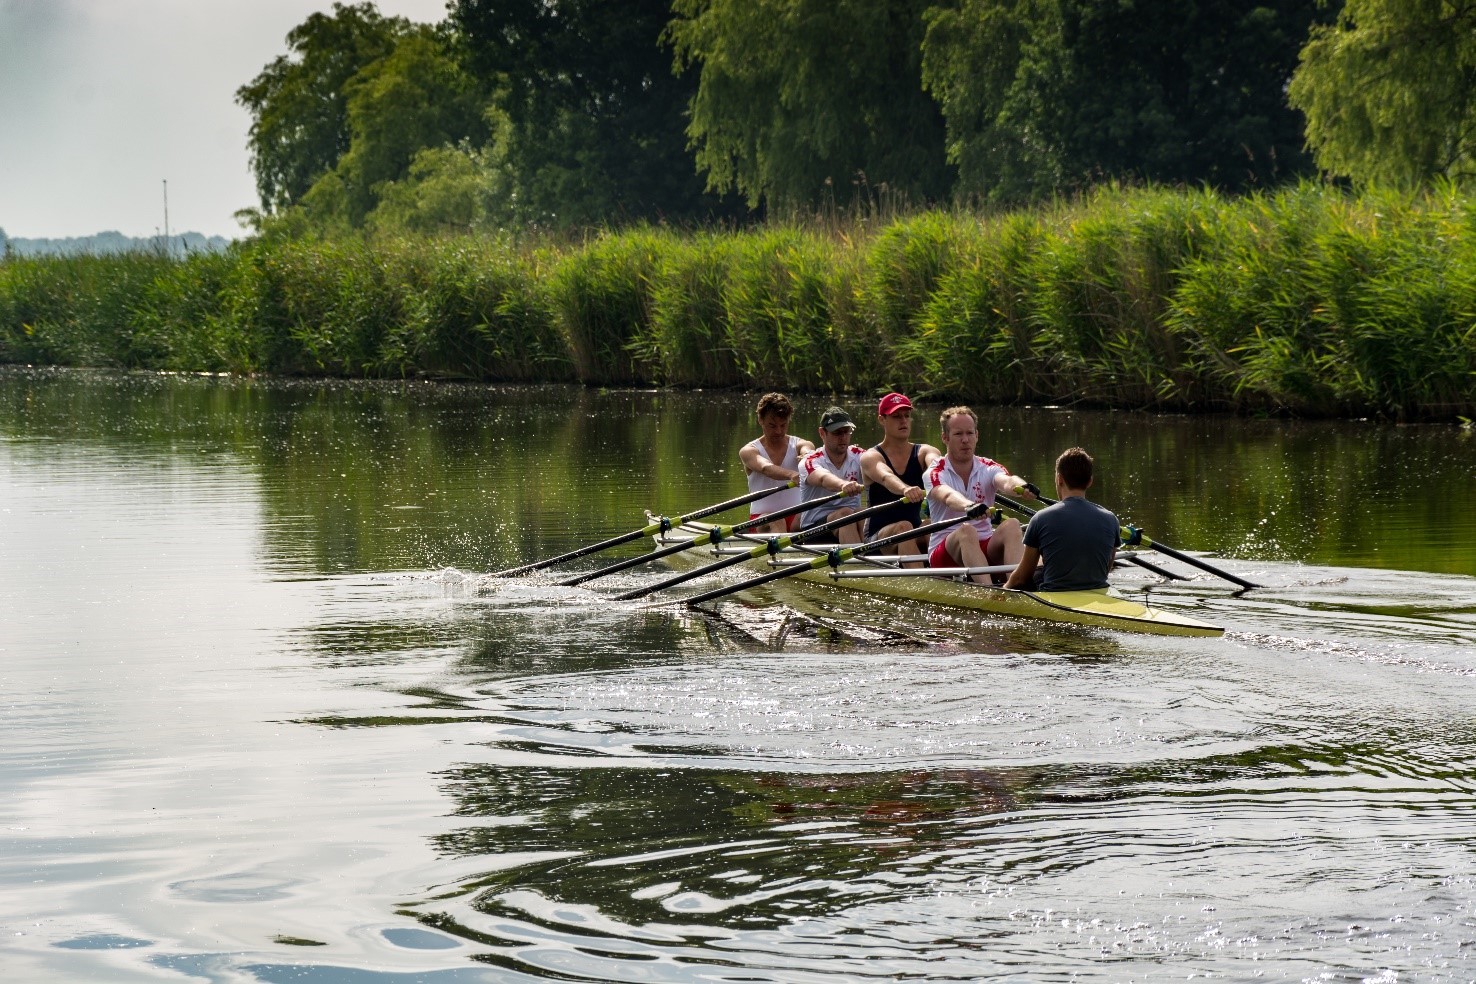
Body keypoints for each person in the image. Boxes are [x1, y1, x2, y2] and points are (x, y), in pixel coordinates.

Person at [922, 405, 1037, 583]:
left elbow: (1007, 481)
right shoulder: (935, 472)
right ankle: (990, 594)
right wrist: (970, 506)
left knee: (1013, 525)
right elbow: (947, 496)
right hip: (945, 553)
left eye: (969, 433)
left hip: (984, 546)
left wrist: (1022, 486)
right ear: (945, 438)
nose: (965, 440)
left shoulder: (988, 467)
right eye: (958, 434)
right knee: (966, 531)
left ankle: (1018, 587)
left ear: (977, 435)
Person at [1004, 447, 1120, 592]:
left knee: (1035, 572)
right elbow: (1105, 570)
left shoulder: (1041, 518)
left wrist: (1002, 591)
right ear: (1090, 481)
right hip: (1098, 589)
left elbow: (1022, 578)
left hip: (1054, 595)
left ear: (1059, 479)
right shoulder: (1111, 519)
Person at [859, 392, 940, 565]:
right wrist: (905, 489)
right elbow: (886, 476)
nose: (903, 421)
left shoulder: (924, 451)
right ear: (882, 420)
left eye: (906, 416)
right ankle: (921, 585)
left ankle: (949, 577)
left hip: (911, 531)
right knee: (904, 526)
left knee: (930, 525)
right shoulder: (870, 457)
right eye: (896, 416)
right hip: (877, 538)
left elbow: (937, 466)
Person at [739, 392, 815, 533]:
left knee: (815, 514)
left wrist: (806, 456)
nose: (779, 431)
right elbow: (766, 468)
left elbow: (808, 449)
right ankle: (783, 553)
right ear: (760, 420)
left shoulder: (799, 444)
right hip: (762, 520)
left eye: (783, 425)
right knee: (777, 520)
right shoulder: (749, 451)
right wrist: (791, 474)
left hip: (796, 518)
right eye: (772, 426)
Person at [796, 406, 867, 543]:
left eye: (846, 432)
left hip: (850, 521)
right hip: (814, 529)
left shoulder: (860, 456)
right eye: (837, 433)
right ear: (822, 433)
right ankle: (859, 562)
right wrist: (843, 484)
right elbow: (823, 478)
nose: (843, 437)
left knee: (864, 513)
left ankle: (871, 558)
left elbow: (879, 468)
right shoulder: (810, 461)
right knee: (845, 513)